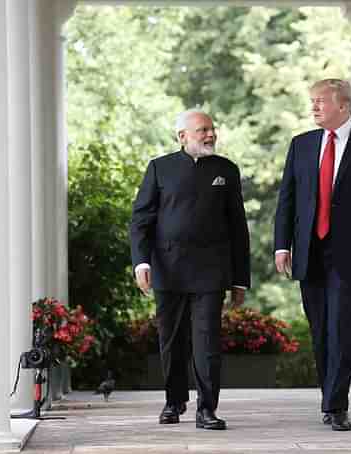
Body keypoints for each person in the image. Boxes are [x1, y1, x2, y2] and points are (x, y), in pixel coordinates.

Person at [274, 79, 351, 431]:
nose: (313, 108)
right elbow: (287, 200)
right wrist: (282, 245)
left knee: (343, 327)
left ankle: (336, 403)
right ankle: (329, 397)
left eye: (320, 102)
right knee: (320, 330)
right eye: (311, 102)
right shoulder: (301, 145)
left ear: (343, 106)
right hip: (309, 251)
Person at [130, 109, 250, 430]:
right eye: (202, 130)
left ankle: (206, 409)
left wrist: (240, 278)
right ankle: (173, 400)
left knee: (207, 341)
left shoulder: (227, 170)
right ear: (182, 136)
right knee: (171, 340)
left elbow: (238, 228)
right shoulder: (159, 168)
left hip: (211, 272)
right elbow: (141, 220)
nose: (210, 135)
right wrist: (141, 262)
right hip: (168, 269)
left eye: (212, 129)